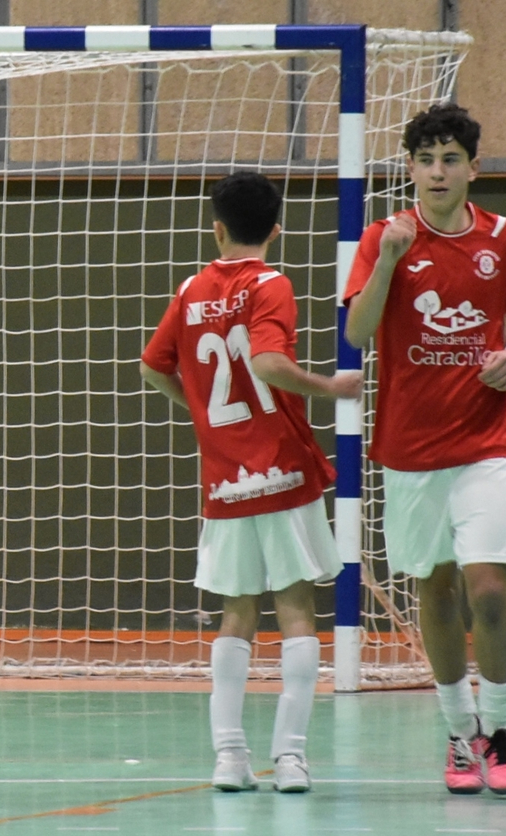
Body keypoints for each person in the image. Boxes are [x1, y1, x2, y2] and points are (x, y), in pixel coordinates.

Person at [140, 172, 362, 794]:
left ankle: (229, 758)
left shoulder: (190, 290)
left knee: (236, 612)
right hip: (282, 468)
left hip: (226, 476)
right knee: (295, 609)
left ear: (217, 229)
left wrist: (202, 413)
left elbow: (152, 365)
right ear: (276, 229)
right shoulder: (272, 284)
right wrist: (330, 386)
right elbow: (267, 362)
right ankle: (289, 758)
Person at [343, 104, 506, 796]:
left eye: (450, 159)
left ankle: (501, 728)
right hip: (411, 447)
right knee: (435, 587)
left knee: (488, 588)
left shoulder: (504, 237)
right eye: (425, 160)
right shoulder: (384, 237)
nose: (437, 172)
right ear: (410, 168)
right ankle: (460, 735)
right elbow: (357, 333)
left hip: (487, 440)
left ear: (472, 168)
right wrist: (388, 262)